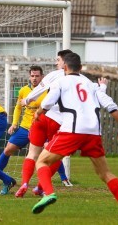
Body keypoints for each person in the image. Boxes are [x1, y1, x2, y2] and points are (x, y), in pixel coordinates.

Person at [31, 53, 118, 219]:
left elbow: (47, 102)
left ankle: (49, 193)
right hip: (93, 132)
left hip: (72, 130)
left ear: (64, 67)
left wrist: (38, 113)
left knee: (42, 161)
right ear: (80, 68)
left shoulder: (60, 81)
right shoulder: (91, 84)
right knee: (105, 173)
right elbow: (110, 105)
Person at [16, 50, 81, 197]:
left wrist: (26, 100)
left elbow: (39, 90)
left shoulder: (54, 75)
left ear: (65, 63)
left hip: (43, 117)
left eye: (58, 60)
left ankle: (25, 183)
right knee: (57, 156)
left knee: (32, 153)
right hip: (60, 123)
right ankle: (40, 187)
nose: (56, 63)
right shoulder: (81, 79)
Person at [0, 66, 46, 186]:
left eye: (37, 76)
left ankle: (64, 179)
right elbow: (18, 107)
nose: (34, 78)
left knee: (47, 152)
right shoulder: (23, 90)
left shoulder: (47, 91)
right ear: (29, 77)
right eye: (32, 76)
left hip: (41, 128)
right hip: (25, 127)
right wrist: (14, 124)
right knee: (8, 150)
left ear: (42, 77)